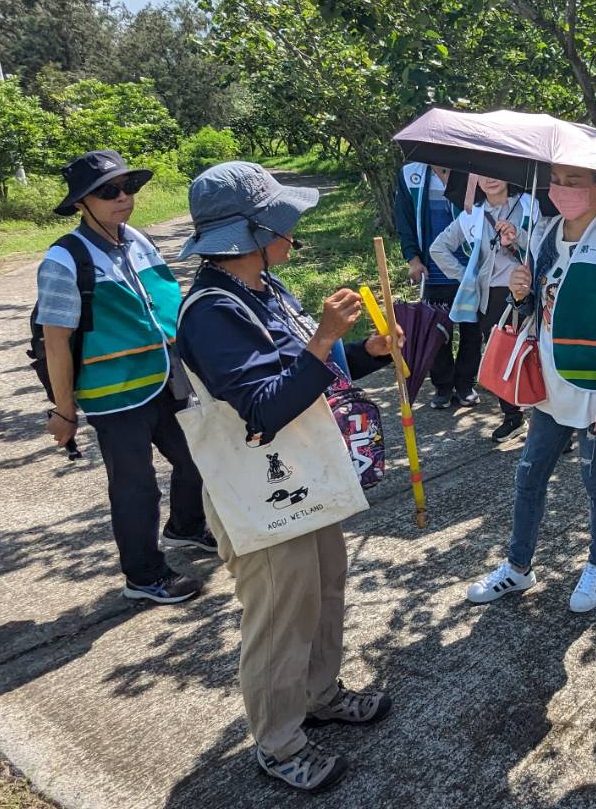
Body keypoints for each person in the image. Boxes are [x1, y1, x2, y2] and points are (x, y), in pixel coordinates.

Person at [175, 161, 398, 793]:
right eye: (281, 222)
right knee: (278, 614)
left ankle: (321, 693)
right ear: (248, 234)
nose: (292, 235)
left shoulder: (265, 290)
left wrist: (363, 353)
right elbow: (264, 406)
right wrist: (326, 338)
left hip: (300, 476)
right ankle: (277, 741)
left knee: (325, 586)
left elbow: (303, 369)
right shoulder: (211, 311)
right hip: (260, 492)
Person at [464, 164, 596, 613]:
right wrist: (519, 290)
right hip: (548, 383)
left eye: (574, 182)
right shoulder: (545, 235)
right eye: (557, 181)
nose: (562, 190)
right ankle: (518, 565)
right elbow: (534, 305)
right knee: (529, 475)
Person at [36, 149, 213, 605]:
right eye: (107, 191)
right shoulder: (65, 259)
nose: (122, 197)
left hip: (166, 379)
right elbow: (56, 342)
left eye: (127, 187)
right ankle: (144, 575)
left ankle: (186, 527)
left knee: (199, 458)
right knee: (136, 487)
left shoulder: (136, 239)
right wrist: (64, 410)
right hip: (114, 394)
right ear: (81, 203)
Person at [429, 174, 538, 441]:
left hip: (529, 289)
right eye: (482, 176)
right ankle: (512, 417)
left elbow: (544, 247)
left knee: (537, 355)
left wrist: (518, 236)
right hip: (492, 297)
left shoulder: (530, 205)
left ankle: (550, 427)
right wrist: (470, 277)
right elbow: (438, 248)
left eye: (496, 173)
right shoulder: (472, 216)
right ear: (473, 181)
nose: (491, 180)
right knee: (501, 355)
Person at [392, 160, 470, 409]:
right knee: (436, 328)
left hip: (469, 266)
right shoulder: (410, 174)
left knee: (471, 329)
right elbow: (404, 220)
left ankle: (466, 385)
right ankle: (443, 386)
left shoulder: (472, 169)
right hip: (432, 266)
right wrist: (413, 258)